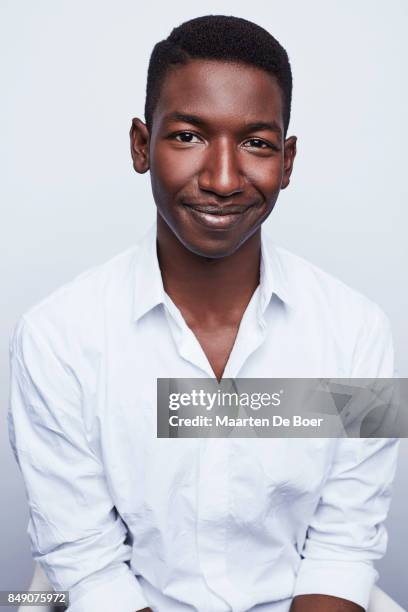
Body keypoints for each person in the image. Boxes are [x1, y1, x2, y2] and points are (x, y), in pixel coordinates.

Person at [8, 15, 399, 612]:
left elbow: (344, 546)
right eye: (188, 136)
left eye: (257, 143)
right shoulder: (57, 337)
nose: (221, 179)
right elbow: (85, 564)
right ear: (142, 146)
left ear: (288, 162)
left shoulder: (359, 332)